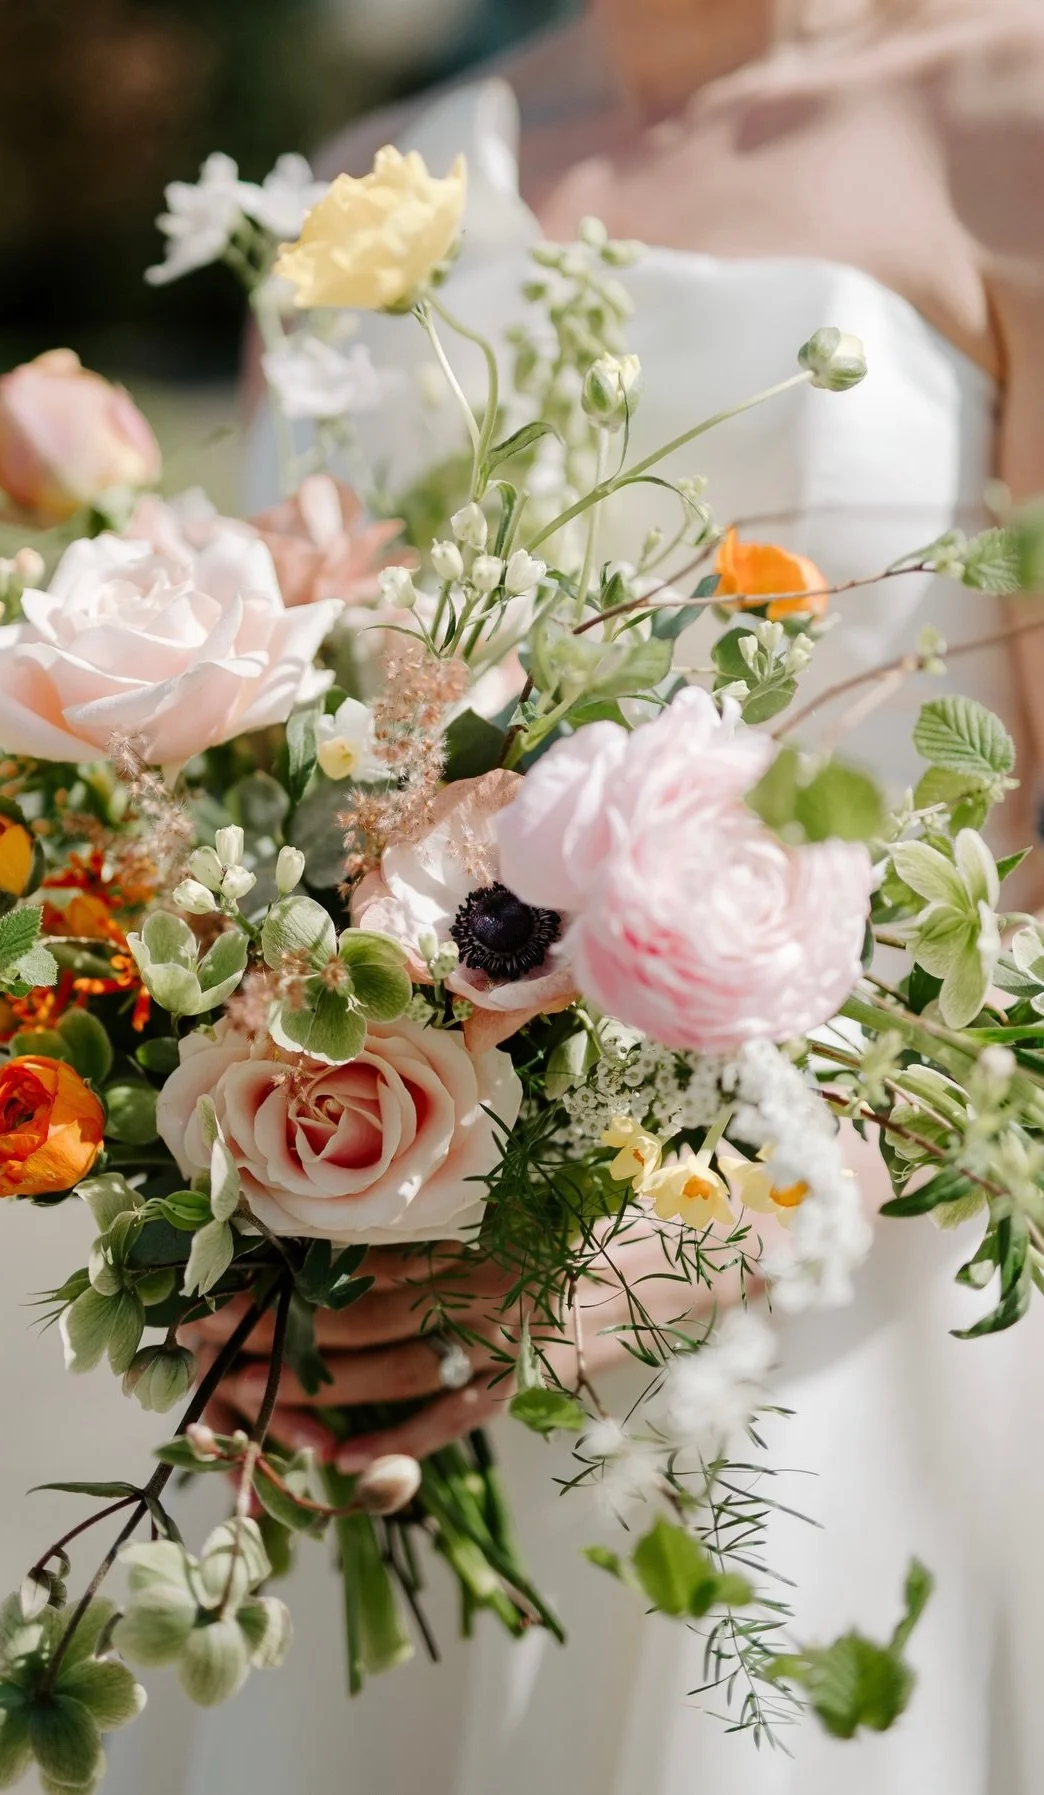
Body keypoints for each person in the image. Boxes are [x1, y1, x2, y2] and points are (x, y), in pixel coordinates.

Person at [114, 4, 1044, 1790]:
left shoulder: (1009, 116)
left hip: (857, 1339)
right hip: (384, 1366)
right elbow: (278, 763)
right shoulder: (356, 187)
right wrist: (222, 1195)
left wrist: (677, 1239)